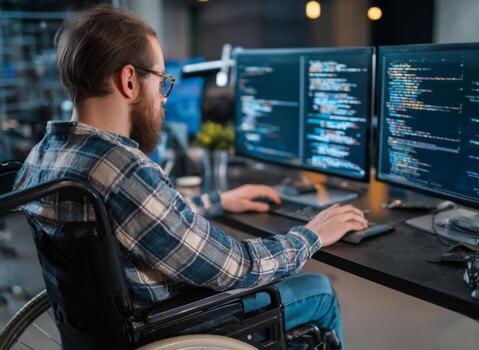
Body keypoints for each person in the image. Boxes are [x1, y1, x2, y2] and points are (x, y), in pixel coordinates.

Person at [14, 4, 368, 348]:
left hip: (93, 335)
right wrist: (312, 234)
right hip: (172, 328)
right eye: (162, 80)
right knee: (318, 290)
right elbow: (235, 266)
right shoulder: (122, 167)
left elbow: (122, 224)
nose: (164, 98)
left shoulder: (43, 157)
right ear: (129, 80)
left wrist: (217, 201)